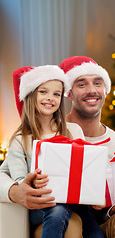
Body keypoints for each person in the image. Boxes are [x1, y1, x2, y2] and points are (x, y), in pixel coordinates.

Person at [7, 65, 103, 238]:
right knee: (58, 208)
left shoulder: (73, 131)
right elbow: (20, 182)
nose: (50, 98)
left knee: (95, 232)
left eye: (56, 94)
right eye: (43, 92)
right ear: (30, 95)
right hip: (42, 204)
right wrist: (32, 183)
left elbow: (85, 170)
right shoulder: (20, 140)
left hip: (75, 202)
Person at [59, 56, 115, 237]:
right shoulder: (53, 132)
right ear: (69, 93)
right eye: (81, 84)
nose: (91, 90)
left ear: (105, 90)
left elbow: (112, 204)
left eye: (98, 83)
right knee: (71, 226)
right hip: (62, 220)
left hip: (101, 223)